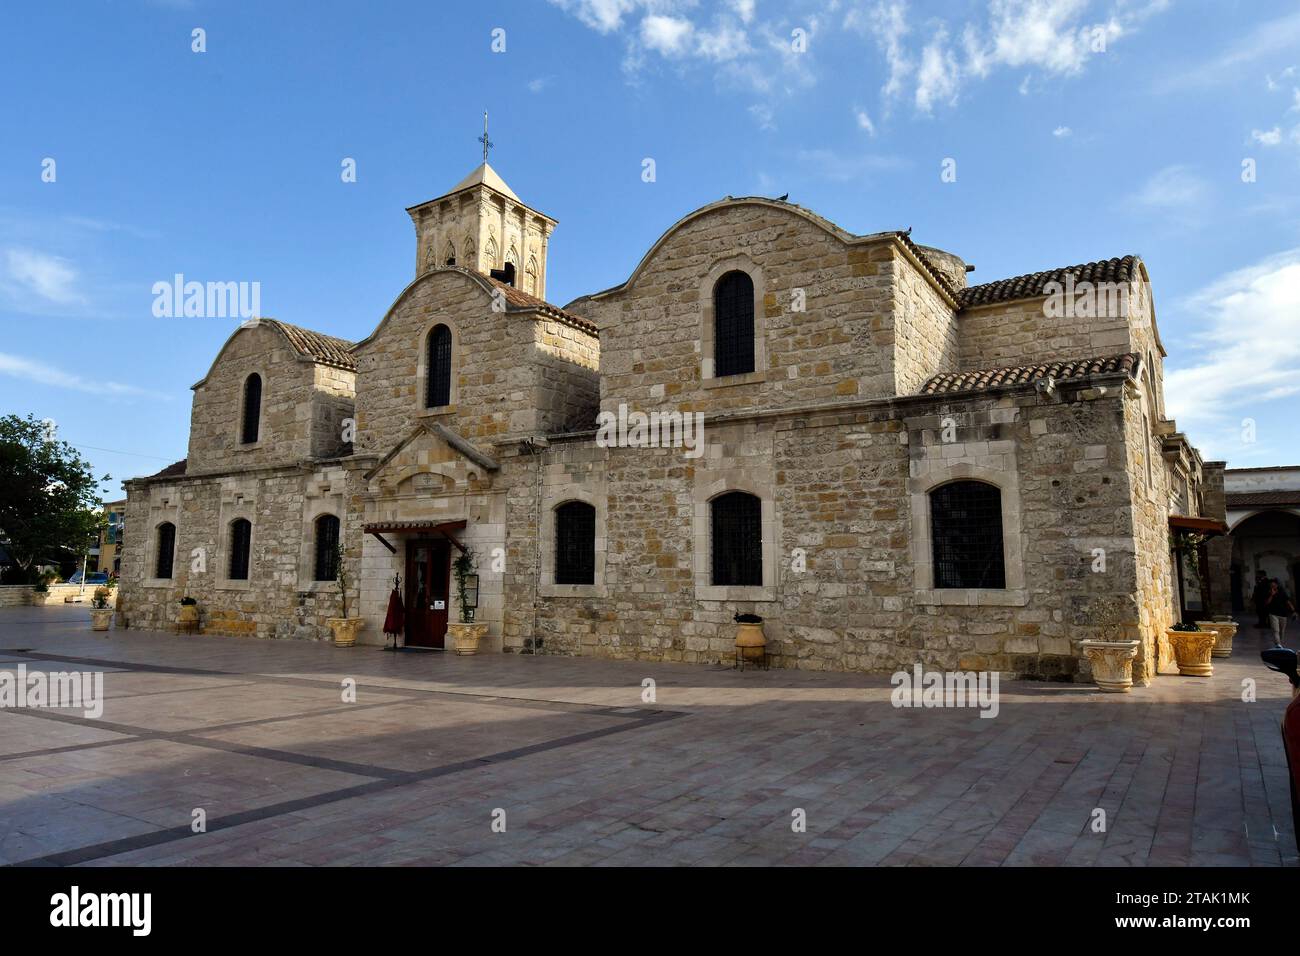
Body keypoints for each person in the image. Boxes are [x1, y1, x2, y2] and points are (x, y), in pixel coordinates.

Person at [1265, 579, 1298, 647]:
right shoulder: (1268, 592)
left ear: (1277, 585)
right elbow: (1267, 603)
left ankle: (1280, 643)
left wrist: (1294, 611)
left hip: (1283, 614)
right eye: (1271, 585)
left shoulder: (1282, 592)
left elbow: (1288, 602)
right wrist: (1272, 595)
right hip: (1273, 614)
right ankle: (1278, 644)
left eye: (1274, 585)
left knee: (1282, 631)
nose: (1272, 586)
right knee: (1275, 630)